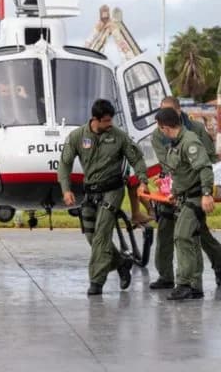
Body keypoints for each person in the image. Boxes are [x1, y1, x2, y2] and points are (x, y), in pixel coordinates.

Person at [58, 99, 149, 296]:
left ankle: (96, 281)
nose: (110, 125)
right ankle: (121, 262)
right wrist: (66, 190)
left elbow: (137, 159)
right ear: (95, 120)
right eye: (106, 121)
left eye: (111, 120)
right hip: (90, 192)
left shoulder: (119, 137)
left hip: (113, 191)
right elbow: (64, 163)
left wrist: (143, 180)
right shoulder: (77, 137)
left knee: (101, 235)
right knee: (92, 236)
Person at [149, 96, 221, 290]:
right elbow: (166, 162)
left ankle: (217, 265)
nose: (163, 117)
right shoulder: (158, 134)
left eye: (167, 112)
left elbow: (208, 160)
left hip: (193, 188)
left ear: (178, 112)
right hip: (171, 188)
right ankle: (166, 276)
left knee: (197, 233)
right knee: (166, 231)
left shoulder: (195, 130)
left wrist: (205, 190)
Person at [154, 107, 215, 300]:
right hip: (184, 197)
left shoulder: (189, 143)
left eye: (160, 129)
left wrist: (206, 194)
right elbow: (183, 172)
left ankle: (184, 283)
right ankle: (196, 285)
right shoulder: (177, 143)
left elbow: (204, 168)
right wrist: (175, 192)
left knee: (181, 237)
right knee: (193, 240)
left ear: (164, 127)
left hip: (194, 198)